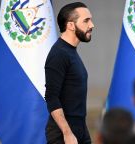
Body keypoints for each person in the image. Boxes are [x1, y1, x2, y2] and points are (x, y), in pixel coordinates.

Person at [44, 2, 94, 144]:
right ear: (71, 25)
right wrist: (67, 133)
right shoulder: (59, 54)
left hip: (80, 131)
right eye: (86, 20)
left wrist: (83, 131)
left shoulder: (70, 52)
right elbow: (51, 97)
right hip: (63, 136)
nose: (92, 25)